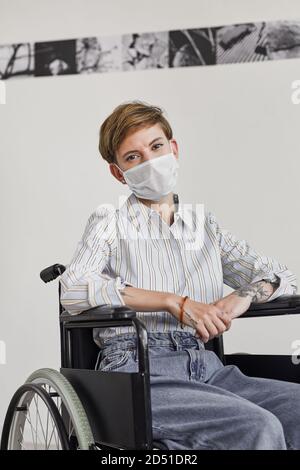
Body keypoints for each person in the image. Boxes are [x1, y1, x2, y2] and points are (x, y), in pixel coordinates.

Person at [60, 100, 299, 450]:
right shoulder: (109, 223)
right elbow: (74, 289)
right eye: (133, 157)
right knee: (257, 427)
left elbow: (281, 276)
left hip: (205, 364)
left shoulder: (204, 226)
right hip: (136, 370)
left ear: (173, 148)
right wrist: (174, 302)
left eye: (156, 147)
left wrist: (240, 297)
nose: (150, 161)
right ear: (118, 173)